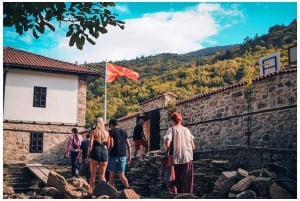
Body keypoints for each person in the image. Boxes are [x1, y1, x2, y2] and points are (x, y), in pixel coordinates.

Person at [164, 112, 195, 194]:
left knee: (174, 180)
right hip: (187, 158)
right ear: (180, 120)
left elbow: (167, 142)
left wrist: (167, 151)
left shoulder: (171, 129)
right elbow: (193, 146)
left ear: (172, 121)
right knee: (186, 181)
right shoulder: (186, 130)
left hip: (175, 158)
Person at [87, 117, 111, 192]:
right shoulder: (107, 133)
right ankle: (103, 192)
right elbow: (109, 145)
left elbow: (90, 145)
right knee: (102, 176)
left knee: (93, 176)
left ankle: (91, 192)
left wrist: (88, 156)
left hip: (95, 151)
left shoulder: (93, 132)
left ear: (96, 123)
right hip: (104, 152)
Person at [108, 118, 131, 189]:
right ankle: (128, 189)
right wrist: (129, 156)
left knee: (112, 174)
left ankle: (110, 192)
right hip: (123, 155)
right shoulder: (124, 132)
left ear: (111, 124)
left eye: (110, 125)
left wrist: (108, 151)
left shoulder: (111, 132)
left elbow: (111, 144)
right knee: (121, 175)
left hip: (113, 155)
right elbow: (129, 145)